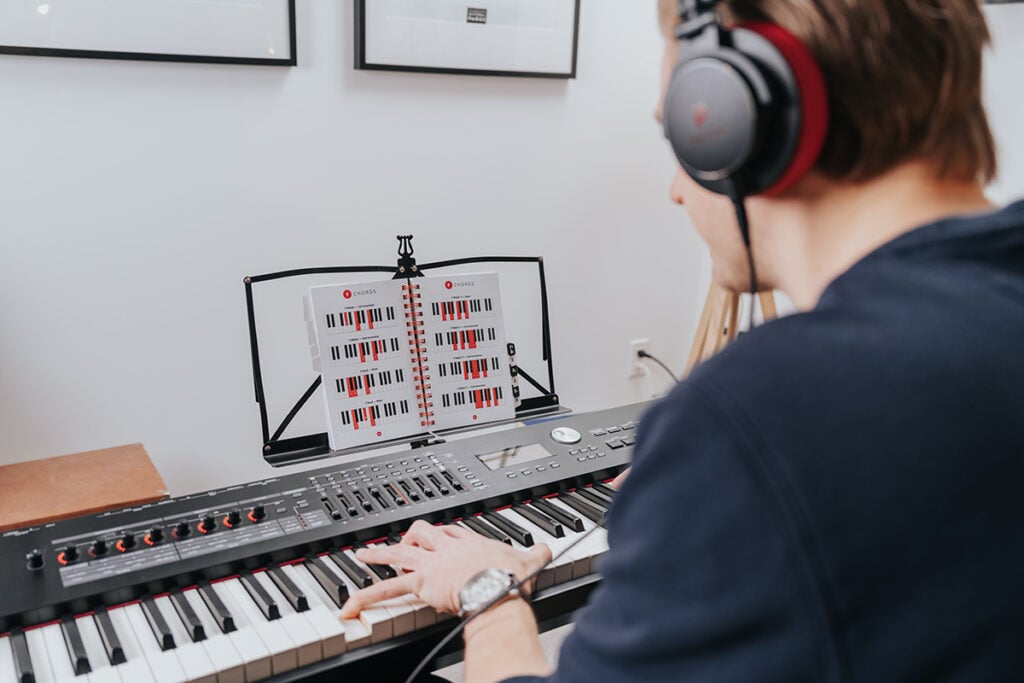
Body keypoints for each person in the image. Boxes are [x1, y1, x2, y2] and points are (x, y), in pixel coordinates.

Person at [340, 0, 1024, 680]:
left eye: (681, 136)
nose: (676, 189)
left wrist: (489, 592)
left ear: (745, 122)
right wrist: (714, 499)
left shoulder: (761, 418)